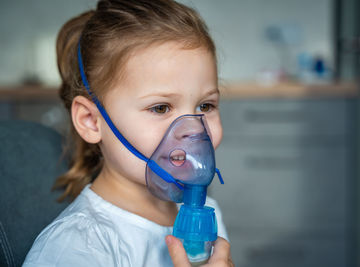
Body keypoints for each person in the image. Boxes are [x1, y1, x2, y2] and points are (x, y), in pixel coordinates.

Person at [22, 0, 233, 266]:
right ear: (91, 121)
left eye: (206, 105)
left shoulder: (209, 216)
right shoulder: (79, 246)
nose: (193, 131)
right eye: (160, 107)